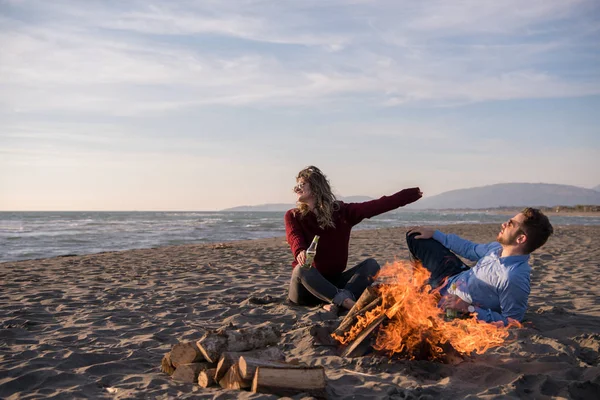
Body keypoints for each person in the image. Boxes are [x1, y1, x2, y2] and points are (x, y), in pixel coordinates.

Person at [285, 166, 422, 311]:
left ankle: (338, 300)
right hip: (305, 288)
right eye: (296, 186)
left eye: (301, 185)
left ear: (315, 186)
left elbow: (376, 206)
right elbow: (294, 236)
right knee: (302, 269)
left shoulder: (342, 213)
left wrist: (409, 195)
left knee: (371, 265)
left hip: (334, 284)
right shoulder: (293, 215)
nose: (296, 189)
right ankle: (346, 302)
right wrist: (300, 251)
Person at [406, 208, 553, 325]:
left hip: (454, 304)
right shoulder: (496, 249)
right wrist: (435, 234)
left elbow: (513, 321)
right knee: (415, 236)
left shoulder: (513, 277)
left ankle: (424, 293)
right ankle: (420, 283)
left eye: (510, 224)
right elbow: (469, 249)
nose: (504, 224)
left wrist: (467, 308)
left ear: (521, 239)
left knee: (418, 311)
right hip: (454, 276)